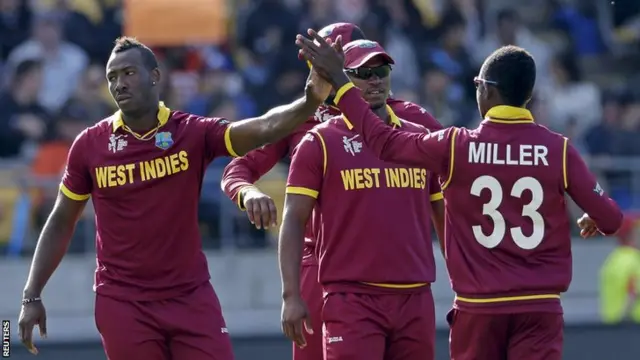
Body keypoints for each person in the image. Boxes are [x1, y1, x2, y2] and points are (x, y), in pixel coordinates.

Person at [297, 36, 624, 360]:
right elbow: (611, 219)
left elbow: (385, 142)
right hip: (541, 308)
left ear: (488, 92)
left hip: (479, 308)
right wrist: (593, 216)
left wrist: (342, 83)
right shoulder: (559, 149)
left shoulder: (456, 146)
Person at [17, 36, 331, 360]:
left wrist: (309, 101)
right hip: (124, 303)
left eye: (128, 73)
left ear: (155, 76)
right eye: (112, 77)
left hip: (190, 296)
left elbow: (263, 127)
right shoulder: (90, 145)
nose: (118, 84)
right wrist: (31, 295)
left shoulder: (191, 132)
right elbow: (61, 220)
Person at [279, 39, 445, 360]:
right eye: (364, 73)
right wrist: (291, 296)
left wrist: (464, 286)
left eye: (381, 71)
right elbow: (293, 220)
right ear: (342, 80)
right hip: (352, 299)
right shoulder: (319, 142)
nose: (376, 80)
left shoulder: (416, 138)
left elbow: (444, 217)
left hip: (415, 298)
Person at [221, 22, 366, 360]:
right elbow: (236, 170)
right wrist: (248, 193)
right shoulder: (301, 117)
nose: (325, 72)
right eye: (318, 64)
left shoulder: (395, 118)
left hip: (383, 264)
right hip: (320, 268)